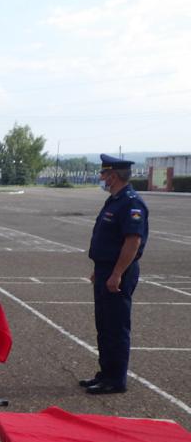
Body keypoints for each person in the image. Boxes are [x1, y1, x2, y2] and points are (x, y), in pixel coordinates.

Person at [80, 154, 149, 395]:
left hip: (119, 272)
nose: (102, 178)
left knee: (116, 327)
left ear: (114, 175)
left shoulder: (131, 203)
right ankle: (105, 373)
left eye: (104, 174)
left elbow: (132, 242)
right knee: (104, 325)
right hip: (106, 269)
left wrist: (117, 273)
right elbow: (109, 242)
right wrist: (99, 269)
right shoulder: (115, 201)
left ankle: (116, 379)